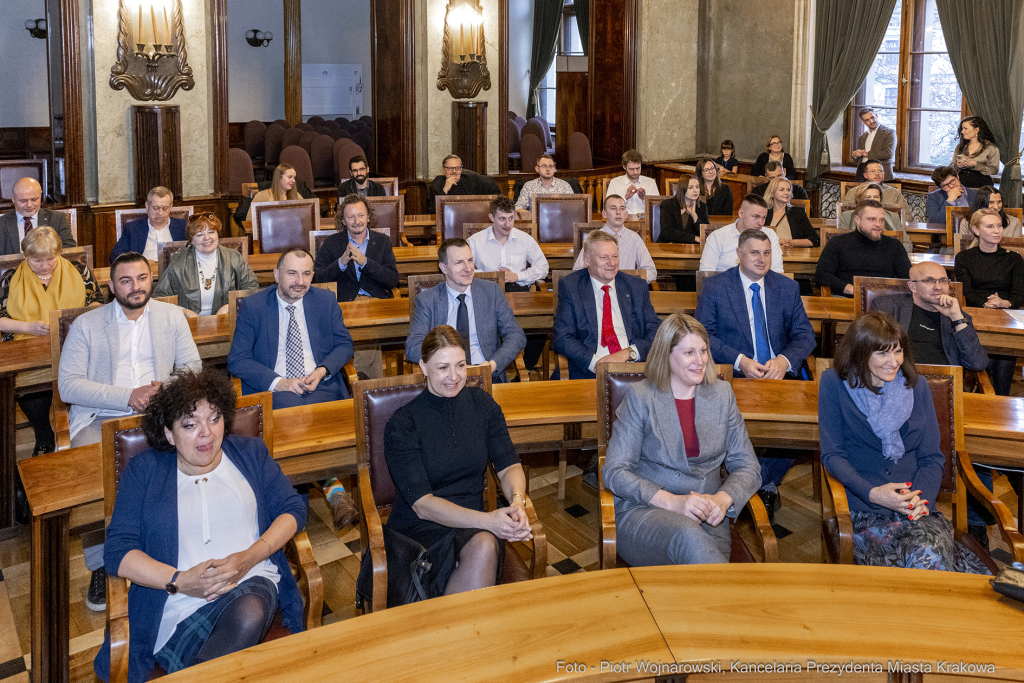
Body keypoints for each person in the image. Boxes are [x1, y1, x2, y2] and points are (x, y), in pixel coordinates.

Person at [93, 368, 308, 683]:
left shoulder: (250, 453)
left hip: (252, 579)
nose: (206, 433)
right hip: (176, 601)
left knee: (249, 608)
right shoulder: (145, 471)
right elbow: (117, 552)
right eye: (190, 424)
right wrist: (179, 581)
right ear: (168, 433)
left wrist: (249, 557)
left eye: (214, 418)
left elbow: (292, 509)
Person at [58, 251, 203, 612]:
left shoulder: (171, 317)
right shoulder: (87, 325)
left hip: (159, 414)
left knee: (194, 458)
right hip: (101, 418)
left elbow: (192, 368)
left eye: (141, 278)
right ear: (111, 286)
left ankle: (170, 549)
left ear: (150, 279)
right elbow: (69, 386)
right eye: (125, 280)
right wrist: (128, 396)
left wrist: (161, 391)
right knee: (97, 484)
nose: (135, 287)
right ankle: (100, 564)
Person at [818, 310, 990, 574]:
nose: (893, 361)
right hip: (865, 510)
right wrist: (873, 493)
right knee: (925, 560)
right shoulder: (833, 383)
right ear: (861, 352)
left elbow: (932, 457)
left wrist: (919, 501)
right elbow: (832, 455)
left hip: (917, 507)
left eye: (897, 351)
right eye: (883, 353)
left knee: (927, 552)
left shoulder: (917, 386)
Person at [371, 325, 531, 602]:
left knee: (483, 544)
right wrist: (489, 521)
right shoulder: (403, 424)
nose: (454, 376)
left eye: (460, 365)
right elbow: (422, 505)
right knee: (484, 543)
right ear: (423, 366)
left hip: (474, 521)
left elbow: (508, 465)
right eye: (443, 367)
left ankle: (452, 638)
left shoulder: (483, 404)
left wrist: (517, 501)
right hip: (420, 530)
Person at [602, 313, 761, 565]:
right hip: (646, 513)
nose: (700, 361)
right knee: (687, 536)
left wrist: (723, 498)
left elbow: (748, 466)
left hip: (709, 520)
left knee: (698, 562)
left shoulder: (722, 394)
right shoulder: (640, 397)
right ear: (666, 355)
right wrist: (673, 502)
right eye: (689, 353)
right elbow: (614, 472)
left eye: (703, 350)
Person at [869, 261, 994, 548]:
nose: (938, 286)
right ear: (912, 286)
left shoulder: (956, 315)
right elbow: (867, 352)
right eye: (929, 281)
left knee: (970, 441)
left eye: (943, 280)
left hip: (944, 395)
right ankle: (893, 504)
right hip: (895, 389)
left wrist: (956, 317)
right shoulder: (889, 307)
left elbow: (977, 363)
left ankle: (975, 523)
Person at [695, 229, 815, 519]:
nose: (761, 259)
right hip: (733, 374)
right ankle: (759, 488)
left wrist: (784, 361)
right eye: (754, 252)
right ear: (739, 253)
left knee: (796, 431)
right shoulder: (716, 287)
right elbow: (703, 336)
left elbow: (805, 335)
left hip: (779, 376)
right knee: (733, 426)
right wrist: (740, 361)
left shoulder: (786, 288)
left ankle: (753, 484)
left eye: (766, 253)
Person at [0, 227, 104, 522]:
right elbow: (0, 318)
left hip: (73, 345)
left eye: (50, 259)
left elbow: (98, 303)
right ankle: (44, 436)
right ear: (25, 256)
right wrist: (28, 327)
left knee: (71, 388)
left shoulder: (79, 270)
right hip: (28, 349)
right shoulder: (10, 279)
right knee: (35, 397)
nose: (44, 266)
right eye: (37, 261)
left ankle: (68, 436)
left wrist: (73, 318)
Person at [227, 248, 354, 407]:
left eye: (306, 274)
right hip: (274, 390)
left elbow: (345, 345)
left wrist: (321, 371)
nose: (300, 281)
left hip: (319, 386)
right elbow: (238, 359)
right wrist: (280, 383)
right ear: (277, 275)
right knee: (291, 406)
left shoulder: (325, 301)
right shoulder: (254, 306)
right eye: (292, 273)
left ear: (312, 276)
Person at [405, 238, 526, 383]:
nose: (468, 268)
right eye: (459, 262)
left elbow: (516, 335)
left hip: (487, 374)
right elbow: (413, 347)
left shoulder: (491, 292)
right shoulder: (428, 300)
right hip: (446, 379)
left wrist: (493, 364)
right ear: (444, 268)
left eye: (470, 260)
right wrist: (447, 363)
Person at [554, 230, 661, 380]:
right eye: (604, 257)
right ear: (587, 259)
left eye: (615, 256)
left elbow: (656, 330)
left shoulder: (636, 286)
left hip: (633, 366)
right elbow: (562, 337)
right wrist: (596, 364)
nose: (611, 263)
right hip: (589, 371)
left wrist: (628, 353)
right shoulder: (571, 286)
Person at [313, 194, 399, 379]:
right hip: (344, 303)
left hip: (376, 302)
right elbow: (317, 278)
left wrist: (366, 262)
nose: (357, 221)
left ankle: (352, 377)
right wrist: (341, 263)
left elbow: (392, 279)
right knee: (370, 338)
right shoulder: (332, 243)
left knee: (371, 329)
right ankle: (369, 384)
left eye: (361, 216)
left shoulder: (382, 241)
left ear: (368, 217)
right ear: (343, 220)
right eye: (351, 217)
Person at [467, 196, 549, 372]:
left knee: (540, 326)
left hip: (518, 290)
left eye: (511, 218)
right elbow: (466, 271)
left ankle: (525, 368)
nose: (507, 224)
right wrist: (492, 276)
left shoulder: (524, 239)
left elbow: (543, 267)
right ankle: (493, 369)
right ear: (491, 217)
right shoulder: (475, 241)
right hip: (486, 292)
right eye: (502, 218)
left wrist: (518, 275)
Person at [954, 208, 1024, 397]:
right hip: (977, 313)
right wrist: (987, 304)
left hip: (1007, 314)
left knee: (1004, 349)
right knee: (991, 353)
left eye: (999, 226)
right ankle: (985, 397)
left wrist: (1004, 303)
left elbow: (1019, 293)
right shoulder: (964, 258)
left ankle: (1001, 397)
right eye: (990, 226)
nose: (997, 230)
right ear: (976, 230)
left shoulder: (1014, 259)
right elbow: (966, 291)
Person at [153, 213, 259, 317]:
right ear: (192, 240)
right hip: (188, 323)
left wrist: (231, 306)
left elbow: (251, 288)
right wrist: (183, 311)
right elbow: (160, 297)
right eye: (199, 235)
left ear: (217, 234)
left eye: (211, 232)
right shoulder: (179, 260)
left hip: (227, 319)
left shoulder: (233, 257)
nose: (207, 238)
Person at [815, 200, 911, 297]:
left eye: (881, 220)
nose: (878, 224)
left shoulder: (894, 245)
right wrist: (852, 289)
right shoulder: (838, 242)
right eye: (872, 219)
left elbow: (908, 278)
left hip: (885, 300)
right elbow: (822, 274)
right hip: (847, 298)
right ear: (857, 219)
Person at [572, 195, 657, 282]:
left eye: (622, 208)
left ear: (626, 214)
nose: (618, 212)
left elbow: (651, 271)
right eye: (613, 208)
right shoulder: (594, 239)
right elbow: (578, 270)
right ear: (604, 214)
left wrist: (631, 283)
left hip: (626, 289)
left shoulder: (635, 238)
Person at [699, 194, 783, 273]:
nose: (760, 223)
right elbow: (706, 273)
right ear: (741, 213)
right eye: (756, 217)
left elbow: (777, 271)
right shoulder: (718, 237)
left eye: (763, 218)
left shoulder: (770, 235)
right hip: (726, 286)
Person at [0, 177, 76, 255]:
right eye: (23, 201)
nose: (29, 205)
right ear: (13, 199)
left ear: (40, 195)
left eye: (34, 200)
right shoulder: (2, 223)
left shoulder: (57, 219)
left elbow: (69, 249)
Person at [110, 186, 187, 262]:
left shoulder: (183, 226)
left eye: (165, 208)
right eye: (155, 208)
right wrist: (141, 261)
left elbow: (194, 251)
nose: (160, 213)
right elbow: (115, 255)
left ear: (171, 207)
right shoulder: (132, 229)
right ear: (147, 206)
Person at [838, 183, 911, 252]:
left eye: (876, 197)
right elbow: (844, 244)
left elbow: (907, 244)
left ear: (880, 199)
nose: (872, 200)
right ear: (859, 200)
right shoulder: (846, 217)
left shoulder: (893, 217)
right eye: (868, 197)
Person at [426, 155, 500, 212]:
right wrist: (445, 189)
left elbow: (494, 192)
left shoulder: (471, 180)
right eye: (450, 168)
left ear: (461, 169)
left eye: (457, 168)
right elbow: (433, 211)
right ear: (443, 170)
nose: (454, 171)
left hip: (470, 218)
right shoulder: (437, 184)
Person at [762, 177, 819, 248]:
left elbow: (815, 239)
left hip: (793, 254)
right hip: (769, 254)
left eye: (788, 190)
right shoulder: (763, 213)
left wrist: (792, 242)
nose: (786, 193)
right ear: (772, 193)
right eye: (781, 190)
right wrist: (776, 241)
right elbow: (755, 237)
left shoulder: (798, 213)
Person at [958, 186, 1022, 248]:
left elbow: (1016, 250)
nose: (996, 207)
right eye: (991, 202)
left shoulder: (1015, 223)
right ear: (981, 203)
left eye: (999, 202)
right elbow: (964, 248)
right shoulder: (966, 222)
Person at [842, 160, 911, 217]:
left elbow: (908, 217)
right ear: (865, 175)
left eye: (880, 171)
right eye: (872, 171)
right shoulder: (853, 192)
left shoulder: (894, 193)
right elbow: (846, 217)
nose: (877, 174)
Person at [605, 150, 659, 218]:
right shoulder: (615, 183)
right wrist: (625, 198)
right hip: (622, 222)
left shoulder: (650, 183)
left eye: (638, 168)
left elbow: (657, 209)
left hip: (645, 222)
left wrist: (644, 199)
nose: (635, 172)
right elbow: (608, 209)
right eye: (631, 169)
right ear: (624, 167)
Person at [658, 175, 707, 244]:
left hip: (692, 249)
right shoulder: (667, 205)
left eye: (697, 187)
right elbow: (667, 232)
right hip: (670, 247)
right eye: (690, 187)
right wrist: (694, 238)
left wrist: (695, 217)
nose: (695, 190)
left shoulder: (701, 206)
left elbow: (706, 233)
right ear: (683, 189)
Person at [953, 116, 1000, 189]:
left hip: (982, 186)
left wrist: (976, 165)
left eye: (965, 128)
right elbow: (951, 167)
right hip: (961, 184)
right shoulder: (960, 147)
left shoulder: (991, 148)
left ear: (976, 129)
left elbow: (994, 170)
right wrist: (957, 166)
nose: (962, 131)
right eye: (962, 129)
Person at [852, 107, 896, 182]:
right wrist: (855, 155)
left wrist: (867, 154)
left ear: (876, 115)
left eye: (872, 117)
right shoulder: (862, 137)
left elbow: (888, 153)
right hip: (862, 173)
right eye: (867, 120)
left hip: (881, 173)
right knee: (861, 194)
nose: (871, 121)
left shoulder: (889, 133)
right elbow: (859, 160)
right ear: (863, 122)